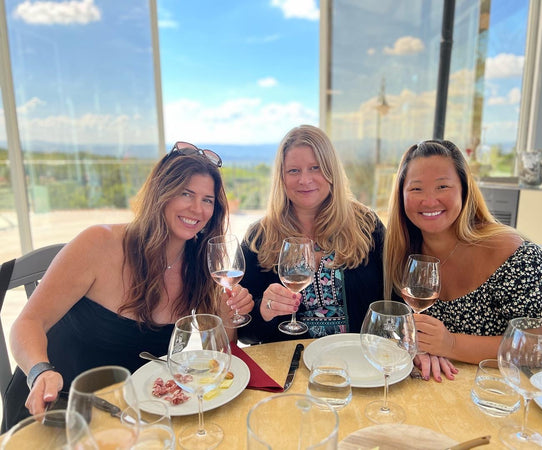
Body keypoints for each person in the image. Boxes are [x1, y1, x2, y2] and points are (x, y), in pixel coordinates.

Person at [4, 142, 254, 430]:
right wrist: (39, 372)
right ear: (161, 193)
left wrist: (227, 314)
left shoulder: (200, 263)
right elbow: (27, 322)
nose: (197, 209)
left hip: (133, 415)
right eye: (186, 193)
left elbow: (219, 354)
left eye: (207, 200)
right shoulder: (99, 244)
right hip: (56, 407)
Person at [384, 139, 542, 373]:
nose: (429, 200)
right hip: (495, 384)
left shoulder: (510, 250)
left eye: (442, 187)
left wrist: (451, 344)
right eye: (416, 189)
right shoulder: (403, 255)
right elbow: (398, 329)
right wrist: (420, 349)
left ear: (465, 190)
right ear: (402, 196)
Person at [237, 124, 386, 344]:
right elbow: (245, 333)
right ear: (282, 178)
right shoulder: (258, 238)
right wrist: (264, 310)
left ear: (331, 171)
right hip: (288, 367)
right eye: (294, 171)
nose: (304, 180)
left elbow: (394, 300)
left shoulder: (367, 225)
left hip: (358, 362)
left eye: (315, 168)